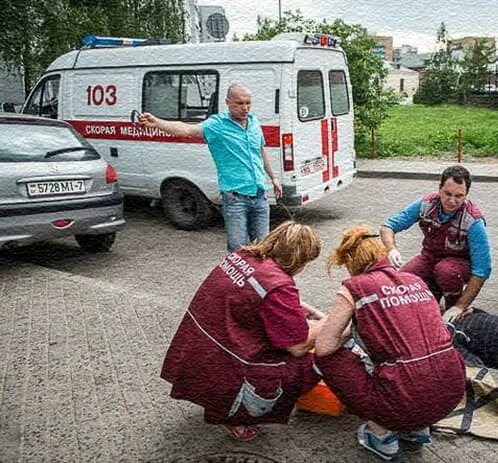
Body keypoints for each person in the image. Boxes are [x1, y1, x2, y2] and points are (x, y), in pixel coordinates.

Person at [161, 221, 325, 442]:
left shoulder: (242, 257)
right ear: (298, 259)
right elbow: (297, 346)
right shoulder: (279, 284)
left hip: (200, 347)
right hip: (231, 360)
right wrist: (332, 323)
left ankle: (222, 399)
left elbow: (259, 294)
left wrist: (304, 310)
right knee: (318, 356)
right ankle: (243, 411)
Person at [315, 226, 466, 461]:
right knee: (414, 361)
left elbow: (324, 346)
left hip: (404, 399)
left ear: (351, 260)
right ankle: (416, 428)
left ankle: (381, 435)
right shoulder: (415, 279)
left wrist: (349, 330)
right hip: (451, 391)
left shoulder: (355, 287)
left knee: (329, 358)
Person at [138, 83, 282, 252]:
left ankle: (258, 279)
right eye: (239, 103)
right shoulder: (217, 125)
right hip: (236, 199)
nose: (245, 108)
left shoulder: (253, 122)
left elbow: (260, 150)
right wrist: (158, 122)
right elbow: (187, 130)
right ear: (227, 102)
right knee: (238, 250)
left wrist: (274, 177)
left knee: (263, 248)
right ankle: (237, 279)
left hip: (259, 196)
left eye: (248, 103)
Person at [380, 165, 491, 318]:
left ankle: (454, 308)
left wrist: (460, 306)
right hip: (429, 258)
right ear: (439, 189)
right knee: (401, 282)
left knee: (445, 271)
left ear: (466, 195)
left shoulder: (473, 221)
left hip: (459, 266)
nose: (452, 201)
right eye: (447, 194)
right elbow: (388, 227)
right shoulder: (426, 205)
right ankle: (428, 300)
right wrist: (391, 249)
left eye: (459, 196)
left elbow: (482, 270)